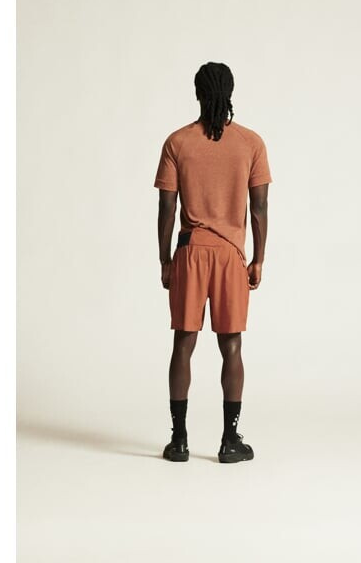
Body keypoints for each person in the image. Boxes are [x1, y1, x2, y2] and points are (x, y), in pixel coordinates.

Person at [153, 62, 272, 463]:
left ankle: (179, 440)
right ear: (230, 93)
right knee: (231, 345)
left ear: (197, 94)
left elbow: (167, 208)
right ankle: (229, 440)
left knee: (183, 342)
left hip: (190, 253)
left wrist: (165, 260)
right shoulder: (251, 143)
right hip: (230, 256)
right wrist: (258, 259)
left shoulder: (177, 142)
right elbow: (259, 207)